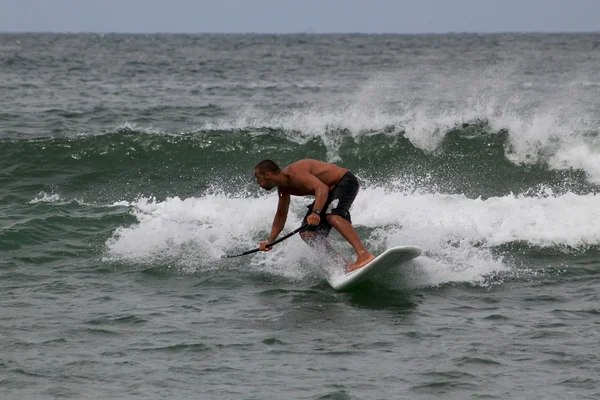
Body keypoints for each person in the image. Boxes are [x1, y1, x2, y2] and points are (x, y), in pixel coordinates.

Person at [254, 159, 375, 272]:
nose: (258, 183)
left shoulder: (294, 174)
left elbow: (322, 188)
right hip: (329, 192)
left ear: (268, 175)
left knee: (332, 216)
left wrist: (316, 213)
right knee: (308, 234)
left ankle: (364, 255)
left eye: (258, 178)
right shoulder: (283, 189)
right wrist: (270, 241)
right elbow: (281, 215)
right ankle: (345, 266)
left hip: (344, 182)